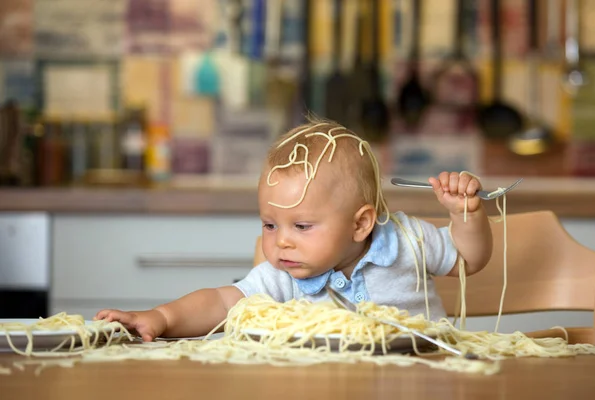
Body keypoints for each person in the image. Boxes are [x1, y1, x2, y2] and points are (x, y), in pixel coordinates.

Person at [95, 119, 493, 342]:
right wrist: (161, 317)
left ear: (361, 223)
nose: (281, 240)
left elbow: (468, 259)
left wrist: (465, 216)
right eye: (270, 225)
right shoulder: (285, 275)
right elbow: (219, 302)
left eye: (301, 226)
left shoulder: (409, 240)